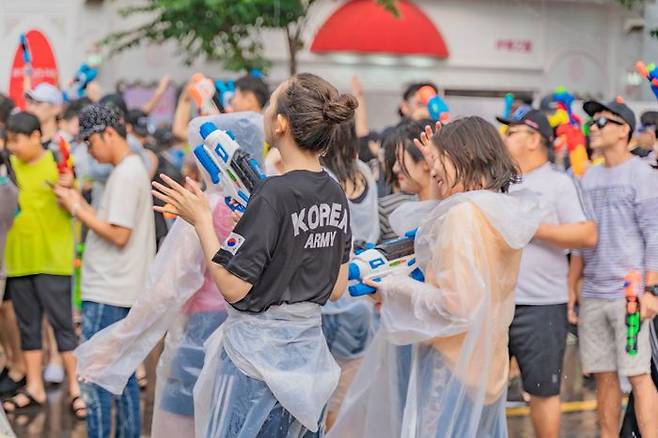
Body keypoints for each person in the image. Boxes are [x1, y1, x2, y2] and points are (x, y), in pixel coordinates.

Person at [152, 73, 354, 436]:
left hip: (255, 365)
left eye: (269, 104)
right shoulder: (334, 193)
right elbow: (337, 286)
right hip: (309, 364)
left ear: (280, 124)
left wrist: (201, 221)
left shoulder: (273, 194)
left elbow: (233, 286)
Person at [328, 117, 542, 438]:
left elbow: (457, 304)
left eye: (438, 163)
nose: (434, 171)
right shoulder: (499, 210)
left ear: (463, 158)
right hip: (487, 366)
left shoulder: (461, 216)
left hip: (451, 368)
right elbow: (429, 226)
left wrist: (393, 287)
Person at [75, 112, 265, 437]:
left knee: (183, 424)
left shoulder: (205, 207)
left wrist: (116, 342)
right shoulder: (261, 205)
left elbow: (165, 288)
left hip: (199, 333)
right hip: (245, 336)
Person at [54, 104, 155, 437]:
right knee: (120, 376)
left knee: (95, 378)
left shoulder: (126, 173)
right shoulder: (128, 170)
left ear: (108, 134)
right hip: (122, 288)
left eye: (90, 143)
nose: (89, 151)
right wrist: (76, 201)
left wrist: (75, 209)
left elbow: (118, 234)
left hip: (110, 290)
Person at [499, 108, 598, 438]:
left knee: (542, 390)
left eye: (512, 132)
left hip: (542, 305)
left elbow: (587, 234)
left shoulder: (558, 183)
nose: (505, 138)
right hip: (498, 302)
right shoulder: (499, 182)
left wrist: (534, 229)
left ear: (533, 140)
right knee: (488, 391)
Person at [573, 97, 658, 438]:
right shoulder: (588, 178)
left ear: (624, 130)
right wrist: (571, 289)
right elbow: (582, 238)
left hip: (630, 296)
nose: (592, 129)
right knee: (604, 376)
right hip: (593, 293)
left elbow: (655, 234)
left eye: (601, 123)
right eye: (591, 124)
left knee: (638, 375)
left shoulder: (642, 175)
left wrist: (651, 289)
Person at [1, 112, 84, 419]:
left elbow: (75, 200)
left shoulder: (58, 164)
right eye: (8, 140)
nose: (12, 146)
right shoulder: (9, 169)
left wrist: (69, 185)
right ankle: (34, 386)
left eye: (17, 140)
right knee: (28, 328)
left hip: (53, 259)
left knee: (63, 326)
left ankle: (76, 388)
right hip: (19, 261)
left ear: (36, 136)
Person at [319, 120, 379, 428]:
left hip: (326, 298)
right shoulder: (365, 172)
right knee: (347, 395)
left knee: (317, 394)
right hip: (360, 299)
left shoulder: (319, 178)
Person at [24, 83, 63, 148]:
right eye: (31, 103)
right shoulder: (29, 141)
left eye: (38, 103)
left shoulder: (64, 142)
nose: (31, 108)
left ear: (56, 108)